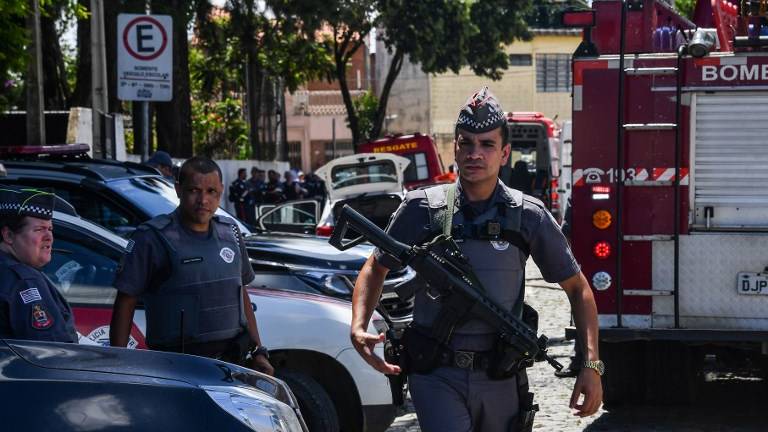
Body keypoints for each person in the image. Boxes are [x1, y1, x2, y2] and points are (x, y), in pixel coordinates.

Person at [349, 87, 602, 431]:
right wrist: (359, 325)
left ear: (505, 153)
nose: (474, 153)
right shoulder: (423, 208)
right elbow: (376, 266)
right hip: (436, 375)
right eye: (465, 143)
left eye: (487, 144)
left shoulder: (528, 215)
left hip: (501, 376)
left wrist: (591, 365)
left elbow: (578, 289)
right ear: (454, 147)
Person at [109, 157, 273, 375]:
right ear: (178, 190)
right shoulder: (152, 237)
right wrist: (118, 365)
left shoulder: (230, 232)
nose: (203, 200)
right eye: (194, 190)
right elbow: (125, 302)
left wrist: (258, 351)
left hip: (231, 366)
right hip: (177, 369)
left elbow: (240, 291)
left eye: (211, 191)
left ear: (221, 191)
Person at [0, 186, 78, 343]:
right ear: (8, 235)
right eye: (39, 229)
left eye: (50, 229)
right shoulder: (24, 281)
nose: (49, 237)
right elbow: (52, 349)